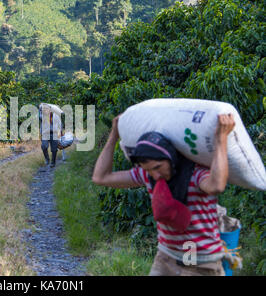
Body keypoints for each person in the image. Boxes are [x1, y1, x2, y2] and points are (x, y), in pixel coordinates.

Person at [92, 113, 236, 276]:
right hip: (166, 257)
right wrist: (114, 135)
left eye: (158, 167)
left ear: (171, 159)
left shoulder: (195, 174)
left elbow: (216, 185)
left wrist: (221, 139)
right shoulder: (147, 175)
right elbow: (100, 177)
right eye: (148, 169)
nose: (155, 175)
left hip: (201, 261)